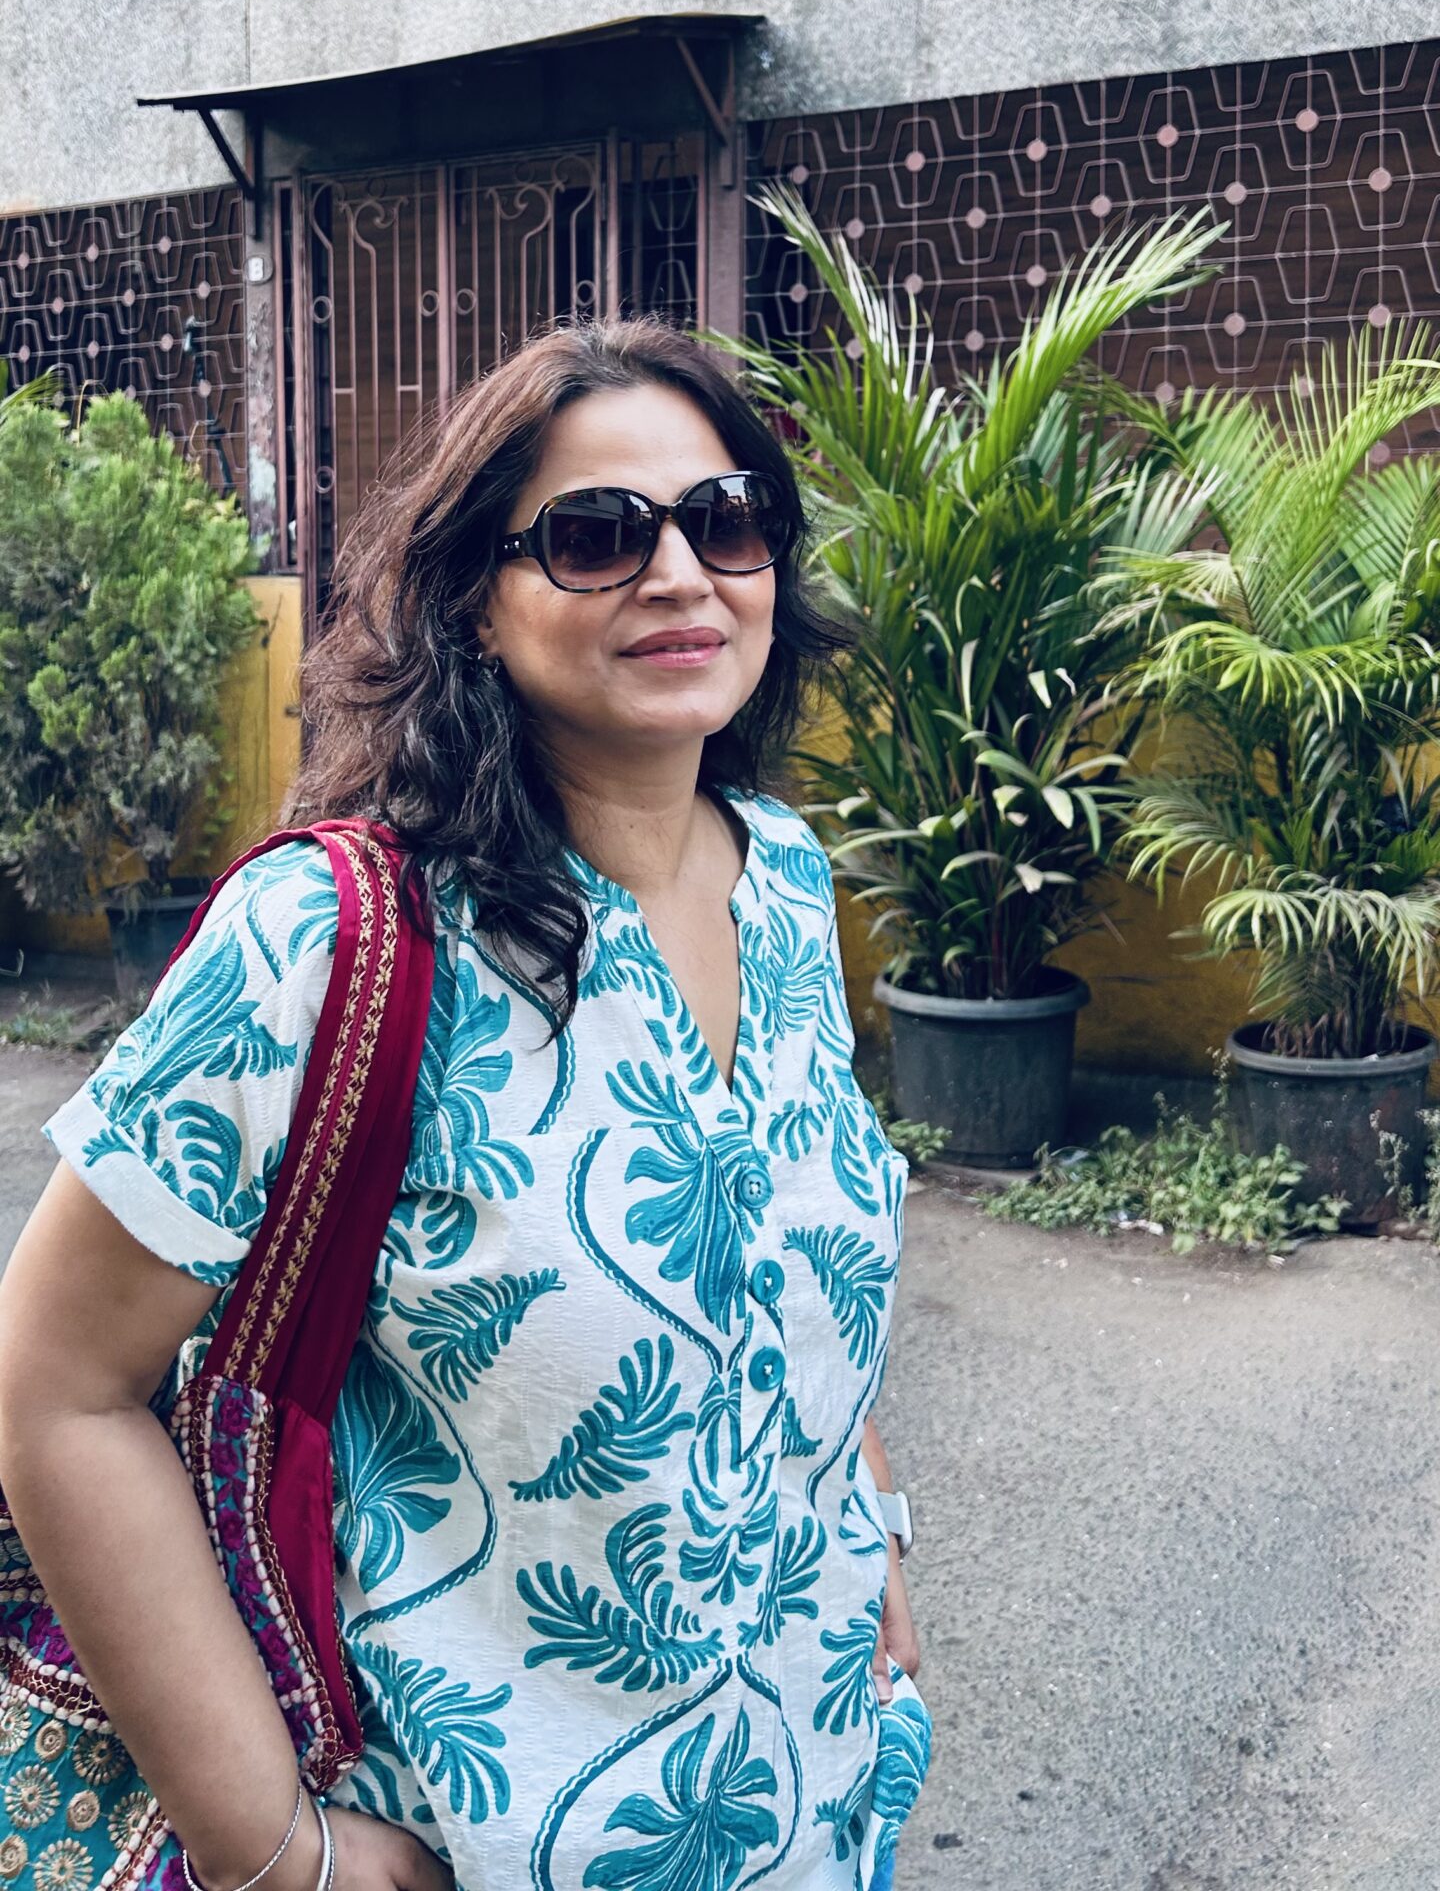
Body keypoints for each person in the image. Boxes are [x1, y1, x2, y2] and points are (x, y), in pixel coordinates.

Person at [0, 317, 928, 1891]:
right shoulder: (329, 943)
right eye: (593, 535)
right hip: (485, 1841)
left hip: (823, 1809)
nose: (684, 574)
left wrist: (873, 1537)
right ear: (474, 603)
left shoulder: (782, 874)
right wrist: (277, 1851)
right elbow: (54, 1392)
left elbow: (778, 1243)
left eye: (728, 519)